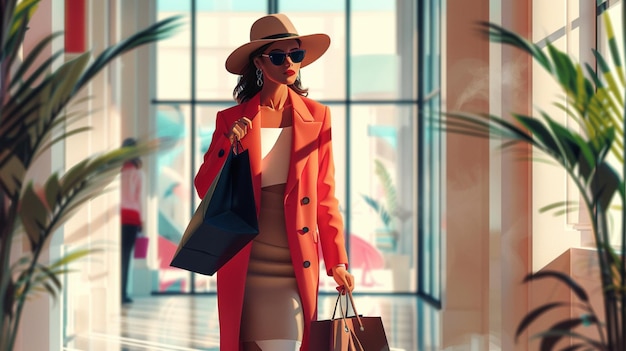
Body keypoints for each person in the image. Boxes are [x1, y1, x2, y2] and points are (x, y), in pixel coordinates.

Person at [194, 13, 355, 351]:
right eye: (278, 57)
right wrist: (228, 145)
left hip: (293, 263)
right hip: (245, 261)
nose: (290, 63)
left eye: (296, 55)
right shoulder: (231, 119)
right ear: (258, 62)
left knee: (287, 341)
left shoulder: (317, 116)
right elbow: (204, 186)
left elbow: (325, 195)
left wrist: (337, 260)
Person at [120, 137, 144, 304]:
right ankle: (122, 294)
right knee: (126, 257)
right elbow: (139, 199)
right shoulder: (138, 174)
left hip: (118, 217)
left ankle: (117, 293)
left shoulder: (118, 172)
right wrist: (142, 221)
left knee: (117, 256)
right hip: (132, 218)